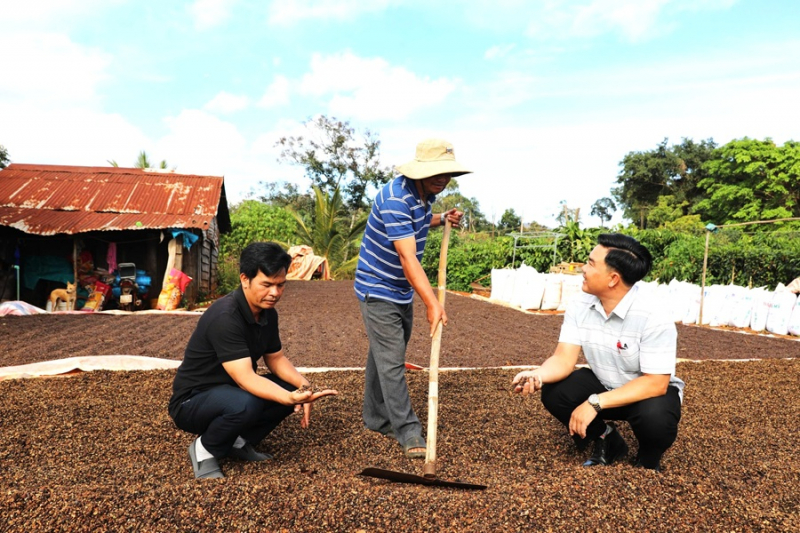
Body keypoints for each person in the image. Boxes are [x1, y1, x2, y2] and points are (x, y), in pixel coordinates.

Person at [512, 233, 684, 471]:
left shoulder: (653, 315)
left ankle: (648, 458)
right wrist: (538, 375)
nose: (583, 268)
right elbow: (563, 358)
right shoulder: (580, 303)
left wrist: (594, 402)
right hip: (605, 383)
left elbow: (655, 384)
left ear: (613, 279)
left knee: (656, 419)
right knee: (555, 392)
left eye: (591, 263)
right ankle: (607, 439)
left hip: (643, 393)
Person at [168, 242, 337, 479]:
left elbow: (276, 358)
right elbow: (246, 377)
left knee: (288, 386)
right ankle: (205, 449)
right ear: (245, 279)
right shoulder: (226, 316)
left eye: (280, 285)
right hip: (192, 400)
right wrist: (288, 398)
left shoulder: (268, 313)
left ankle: (237, 442)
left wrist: (304, 387)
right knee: (248, 403)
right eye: (267, 285)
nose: (275, 293)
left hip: (231, 390)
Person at [354, 138, 472, 459]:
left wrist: (441, 218)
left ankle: (375, 417)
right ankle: (407, 430)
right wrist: (432, 303)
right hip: (377, 288)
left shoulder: (423, 196)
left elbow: (415, 222)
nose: (442, 178)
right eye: (436, 172)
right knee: (392, 361)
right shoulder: (395, 199)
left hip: (399, 290)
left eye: (447, 172)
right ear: (419, 170)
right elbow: (408, 259)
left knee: (385, 352)